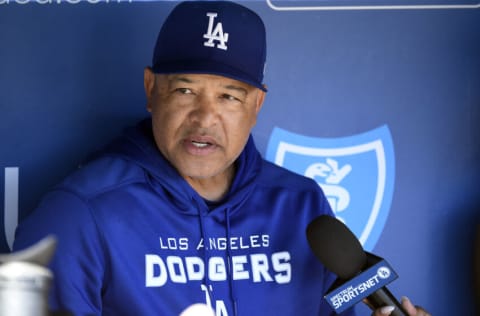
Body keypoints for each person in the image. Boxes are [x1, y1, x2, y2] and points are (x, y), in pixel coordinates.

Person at [13, 1, 430, 316]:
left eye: (229, 96)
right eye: (185, 90)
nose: (205, 118)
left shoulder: (301, 204)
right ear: (150, 89)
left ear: (257, 105)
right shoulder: (79, 213)